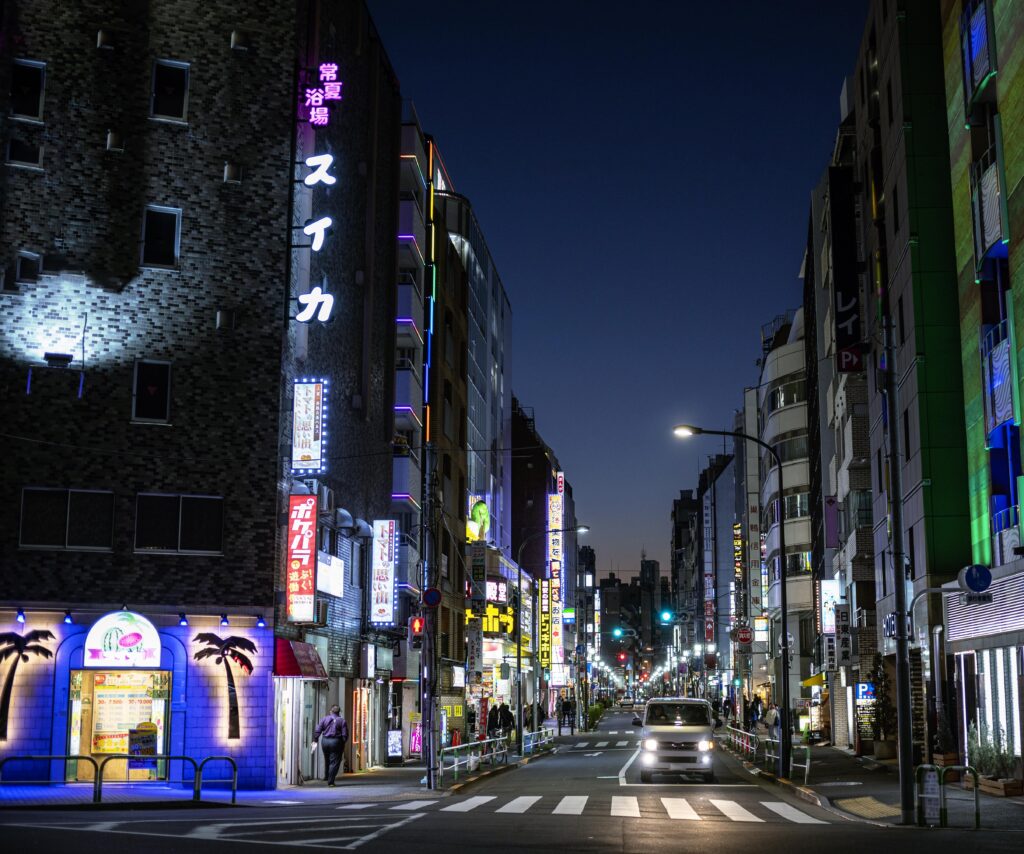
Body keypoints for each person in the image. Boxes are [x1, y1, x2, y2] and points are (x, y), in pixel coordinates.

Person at [312, 704, 348, 787]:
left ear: (330, 711)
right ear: (339, 712)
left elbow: (318, 730)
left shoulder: (324, 719)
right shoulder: (342, 721)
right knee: (334, 761)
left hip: (325, 741)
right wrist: (342, 743)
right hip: (336, 741)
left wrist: (315, 740)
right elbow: (345, 735)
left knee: (327, 759)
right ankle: (331, 781)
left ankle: (327, 776)